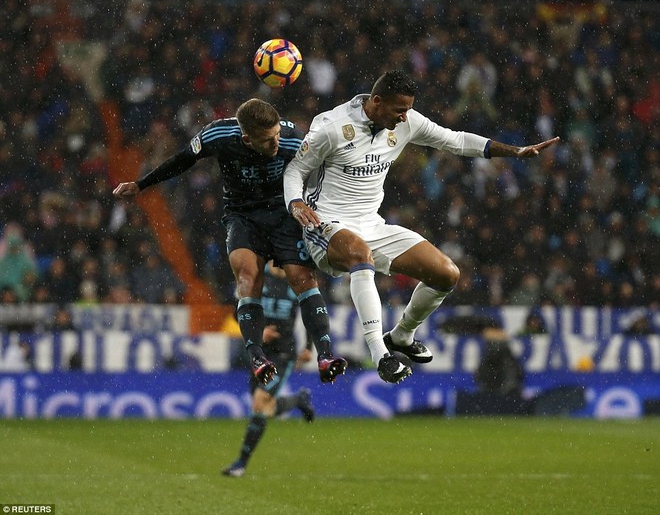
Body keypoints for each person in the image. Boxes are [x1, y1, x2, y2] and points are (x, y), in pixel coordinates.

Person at [284, 70, 560, 383]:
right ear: (376, 102)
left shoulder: (407, 121)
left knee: (446, 274)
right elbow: (295, 171)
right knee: (361, 255)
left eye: (407, 110)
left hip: (371, 225)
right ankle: (381, 356)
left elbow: (454, 140)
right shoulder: (331, 128)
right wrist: (296, 203)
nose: (405, 118)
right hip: (325, 224)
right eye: (399, 110)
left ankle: (401, 335)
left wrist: (515, 152)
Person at [113, 98, 347, 385]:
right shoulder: (218, 135)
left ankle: (325, 354)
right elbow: (183, 159)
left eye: (276, 135)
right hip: (243, 216)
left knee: (302, 279)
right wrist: (141, 184)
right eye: (267, 140)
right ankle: (257, 356)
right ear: (247, 138)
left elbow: (331, 169)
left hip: (284, 213)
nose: (276, 143)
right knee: (248, 276)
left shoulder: (295, 139)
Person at [223, 261, 315, 478]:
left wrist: (309, 347)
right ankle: (299, 400)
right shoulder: (257, 276)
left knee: (260, 402)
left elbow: (311, 312)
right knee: (266, 408)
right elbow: (239, 310)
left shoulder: (297, 279)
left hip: (283, 354)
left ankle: (241, 463)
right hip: (259, 353)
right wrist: (258, 331)